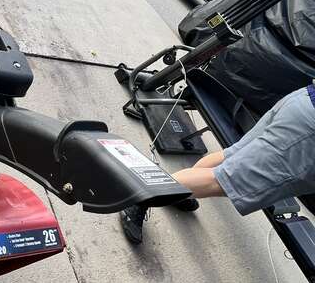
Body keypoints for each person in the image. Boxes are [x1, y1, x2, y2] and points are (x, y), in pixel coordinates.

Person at [120, 83, 315, 245]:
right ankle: (140, 196)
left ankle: (177, 191)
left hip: (305, 102)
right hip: (308, 132)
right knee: (226, 181)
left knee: (232, 156)